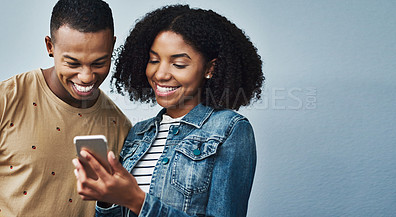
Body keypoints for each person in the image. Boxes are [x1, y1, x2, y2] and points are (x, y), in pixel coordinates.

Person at [73, 4, 264, 217]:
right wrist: (107, 200)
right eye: (154, 60)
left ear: (210, 68)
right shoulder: (138, 133)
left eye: (179, 64)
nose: (160, 74)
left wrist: (136, 200)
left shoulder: (229, 129)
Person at [0, 0, 131, 216]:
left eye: (99, 63)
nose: (86, 76)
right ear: (50, 46)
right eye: (73, 63)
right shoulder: (7, 100)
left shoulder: (122, 128)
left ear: (112, 46)